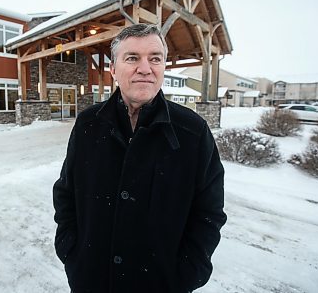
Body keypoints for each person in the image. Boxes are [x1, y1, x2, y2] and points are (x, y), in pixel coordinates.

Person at [53, 23, 226, 293]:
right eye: (132, 57)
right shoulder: (88, 124)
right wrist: (71, 251)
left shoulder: (192, 132)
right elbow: (65, 192)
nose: (145, 68)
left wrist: (187, 273)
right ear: (113, 69)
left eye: (155, 58)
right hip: (91, 280)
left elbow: (209, 213)